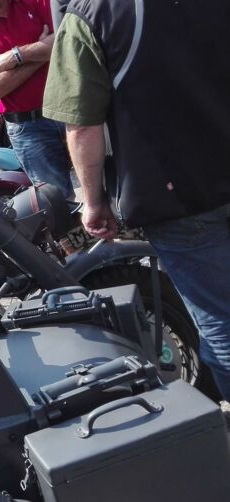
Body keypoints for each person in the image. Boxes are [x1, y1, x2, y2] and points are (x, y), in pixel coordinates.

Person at [42, 0, 230, 401]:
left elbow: (82, 125)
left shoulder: (91, 14)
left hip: (182, 198)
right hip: (187, 194)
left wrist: (93, 202)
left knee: (221, 322)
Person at [0, 0, 73, 199]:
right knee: (60, 203)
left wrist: (15, 56)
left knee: (108, 184)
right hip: (30, 128)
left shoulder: (35, 2)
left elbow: (68, 35)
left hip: (71, 107)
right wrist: (42, 52)